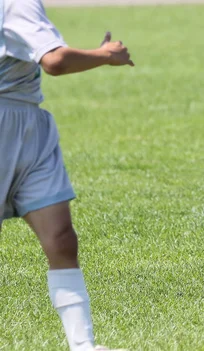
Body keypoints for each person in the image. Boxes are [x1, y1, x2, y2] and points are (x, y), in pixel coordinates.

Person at [0, 0, 133, 349]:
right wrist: (106, 54)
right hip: (7, 123)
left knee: (60, 239)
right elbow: (54, 61)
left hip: (29, 126)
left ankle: (83, 345)